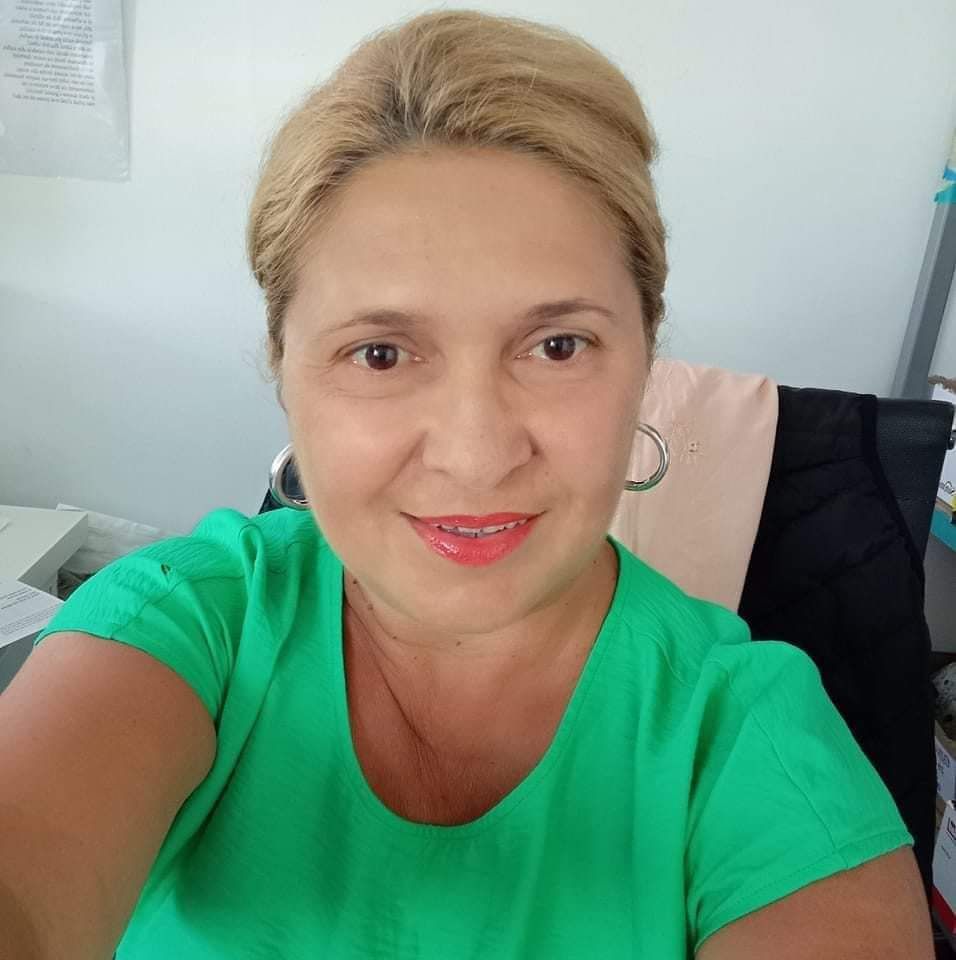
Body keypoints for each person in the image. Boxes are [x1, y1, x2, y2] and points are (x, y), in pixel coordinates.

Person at [0, 9, 934, 959]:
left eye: (557, 345)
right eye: (380, 352)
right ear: (283, 369)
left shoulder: (744, 737)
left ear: (644, 356)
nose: (478, 454)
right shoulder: (181, 627)